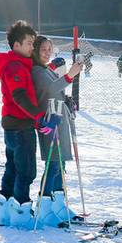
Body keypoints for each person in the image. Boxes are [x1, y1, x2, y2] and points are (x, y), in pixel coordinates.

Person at [0, 21, 59, 230]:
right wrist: (39, 117)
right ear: (17, 45)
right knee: (26, 171)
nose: (32, 47)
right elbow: (20, 96)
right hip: (20, 126)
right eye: (29, 43)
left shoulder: (17, 64)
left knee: (12, 167)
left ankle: (4, 211)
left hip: (13, 125)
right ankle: (20, 213)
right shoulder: (15, 67)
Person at [31, 36, 83, 226]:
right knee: (53, 164)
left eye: (49, 49)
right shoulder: (36, 70)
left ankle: (58, 204)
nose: (47, 52)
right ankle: (44, 207)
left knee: (60, 165)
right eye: (43, 49)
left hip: (59, 118)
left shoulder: (45, 69)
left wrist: (66, 99)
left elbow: (56, 90)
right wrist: (70, 75)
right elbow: (50, 90)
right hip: (49, 121)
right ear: (35, 50)